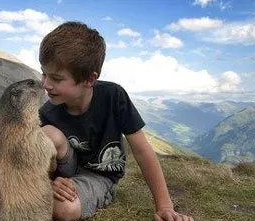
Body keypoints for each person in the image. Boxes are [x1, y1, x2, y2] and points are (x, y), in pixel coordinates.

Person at [39, 21, 194, 221]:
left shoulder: (114, 96)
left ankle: (91, 195)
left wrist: (164, 206)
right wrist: (48, 183)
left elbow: (142, 150)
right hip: (64, 170)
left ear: (89, 79)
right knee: (47, 134)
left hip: (100, 176)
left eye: (57, 79)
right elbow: (35, 159)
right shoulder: (47, 111)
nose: (45, 84)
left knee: (63, 210)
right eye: (44, 73)